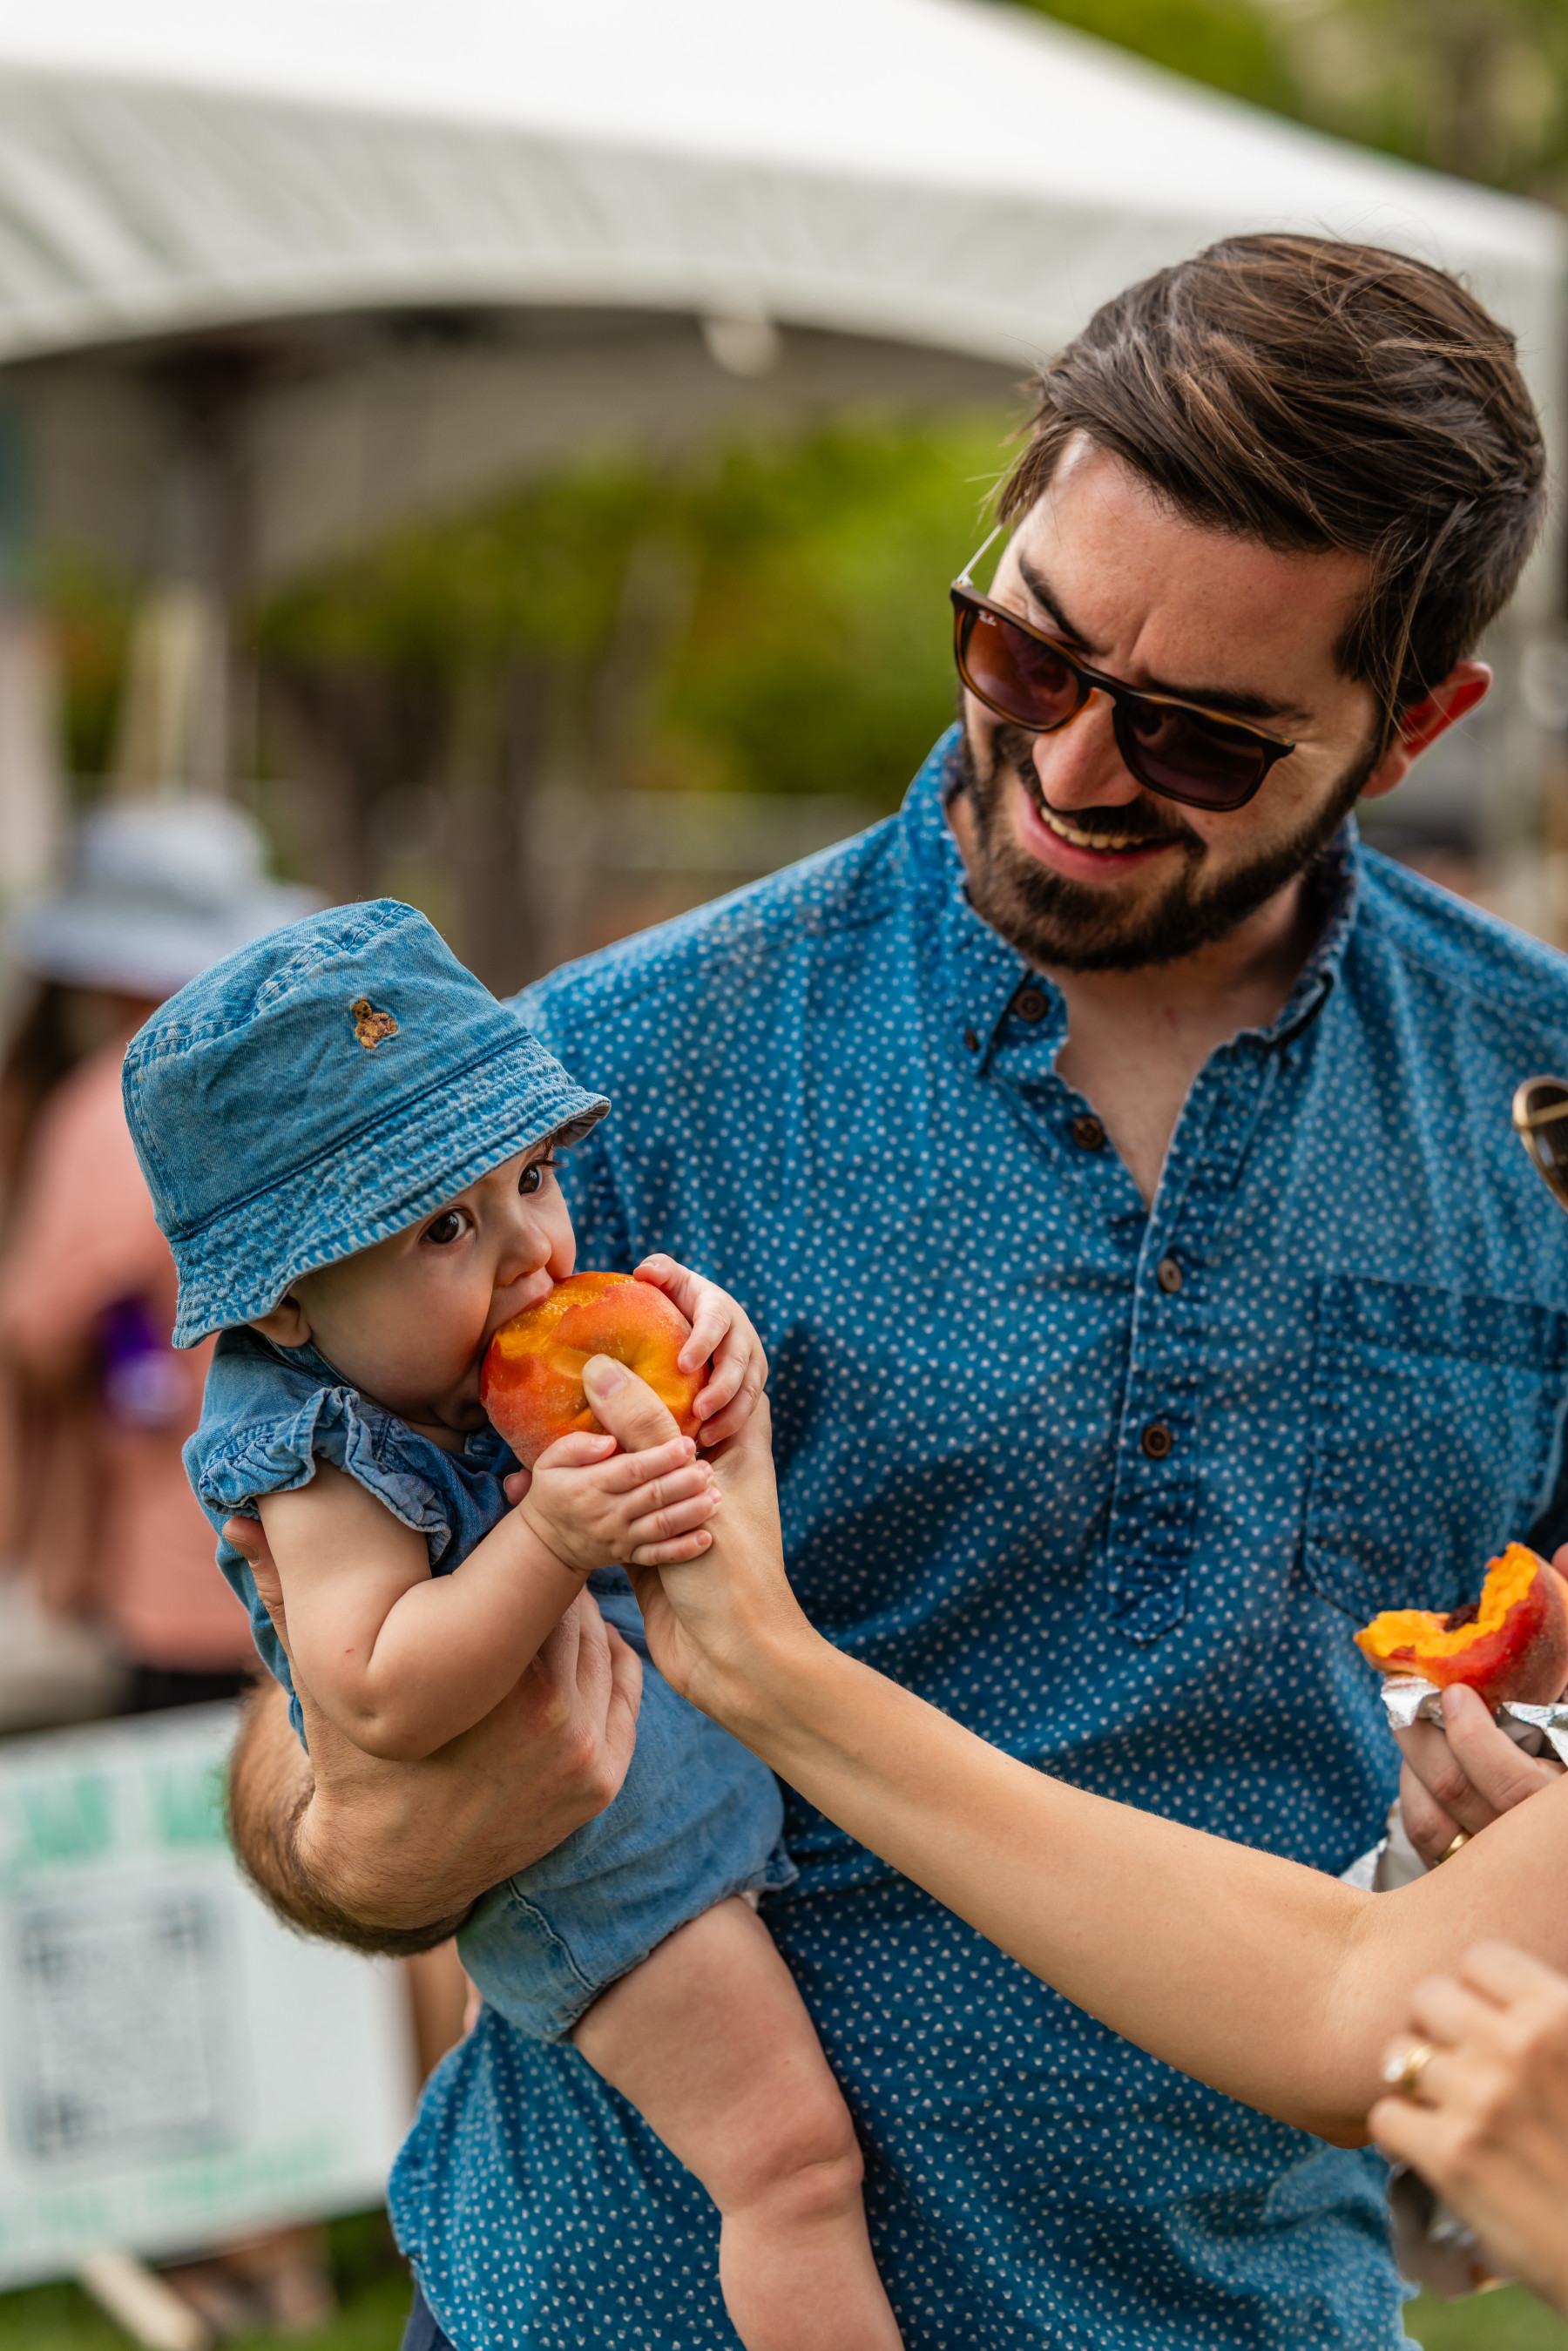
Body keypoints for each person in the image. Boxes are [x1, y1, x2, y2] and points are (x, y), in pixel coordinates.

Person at [223, 233, 1566, 2349]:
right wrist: (364, 1836)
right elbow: (308, 1730)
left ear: (1415, 729)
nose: (1078, 767)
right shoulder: (593, 1090)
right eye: (1030, 656)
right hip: (623, 2302)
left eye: (1205, 741)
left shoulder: (1536, 1114)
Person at [127, 902, 903, 2351]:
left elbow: (650, 1438)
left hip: (668, 1814)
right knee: (792, 2165)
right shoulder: (320, 1456)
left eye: (533, 1176)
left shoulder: (459, 1347)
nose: (533, 1257)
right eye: (441, 1225)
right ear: (285, 1308)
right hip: (604, 1879)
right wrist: (549, 1537)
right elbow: (373, 1693)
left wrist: (702, 1362)